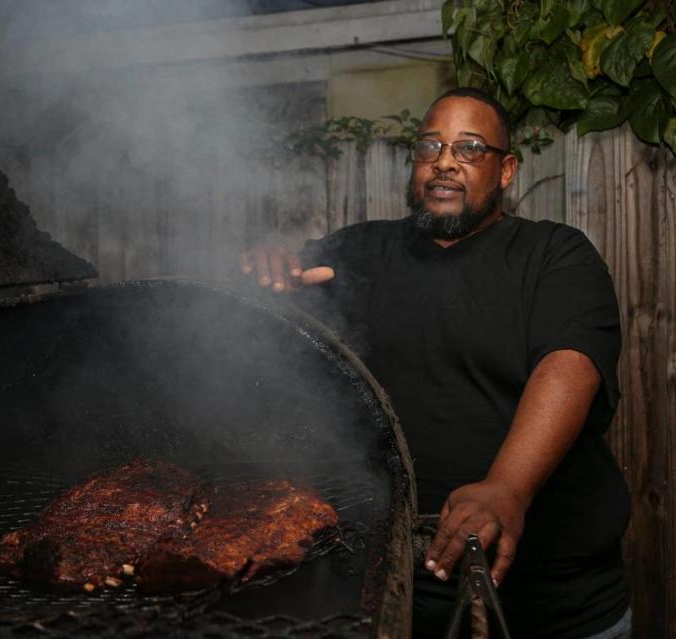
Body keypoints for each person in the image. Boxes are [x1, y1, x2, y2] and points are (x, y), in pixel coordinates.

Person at [239, 87, 632, 639]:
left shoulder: (554, 254)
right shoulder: (360, 250)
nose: (444, 162)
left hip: (551, 604)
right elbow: (285, 294)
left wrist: (507, 488)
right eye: (430, 146)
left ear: (507, 170)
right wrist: (271, 264)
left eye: (470, 148)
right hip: (390, 598)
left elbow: (570, 362)